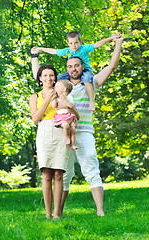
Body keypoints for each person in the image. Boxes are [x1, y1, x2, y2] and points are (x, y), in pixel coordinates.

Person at [31, 36, 123, 217]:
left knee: (90, 167)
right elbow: (40, 77)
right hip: (61, 133)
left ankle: (100, 211)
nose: (73, 69)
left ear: (83, 67)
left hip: (84, 132)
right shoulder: (60, 86)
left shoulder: (91, 83)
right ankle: (58, 213)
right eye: (70, 66)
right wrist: (35, 56)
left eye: (77, 66)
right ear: (66, 69)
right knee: (64, 174)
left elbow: (111, 67)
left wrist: (118, 44)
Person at [29, 63, 79, 219]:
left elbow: (76, 115)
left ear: (55, 77)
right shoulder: (34, 96)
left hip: (61, 132)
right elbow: (36, 118)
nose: (48, 78)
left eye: (51, 75)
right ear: (39, 78)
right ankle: (48, 213)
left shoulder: (63, 92)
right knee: (46, 175)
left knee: (59, 173)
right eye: (45, 75)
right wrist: (47, 100)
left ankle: (57, 213)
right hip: (44, 132)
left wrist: (65, 102)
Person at [35, 31, 121, 111]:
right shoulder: (67, 51)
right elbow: (54, 51)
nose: (74, 46)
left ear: (80, 41)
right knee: (57, 78)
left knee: (87, 80)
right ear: (68, 43)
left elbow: (97, 45)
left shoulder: (84, 48)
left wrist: (111, 38)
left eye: (76, 43)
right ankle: (55, 101)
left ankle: (91, 101)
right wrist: (40, 49)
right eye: (71, 43)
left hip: (86, 71)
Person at [52, 80, 79, 150]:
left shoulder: (69, 96)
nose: (55, 88)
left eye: (57, 87)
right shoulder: (56, 97)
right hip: (61, 117)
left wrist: (65, 101)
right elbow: (54, 106)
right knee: (66, 125)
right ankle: (67, 138)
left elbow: (71, 106)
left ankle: (72, 144)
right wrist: (54, 99)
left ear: (64, 89)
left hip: (69, 116)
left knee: (73, 128)